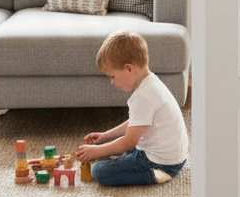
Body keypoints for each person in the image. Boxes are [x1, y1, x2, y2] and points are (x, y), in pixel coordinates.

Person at [76, 30, 188, 186]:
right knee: (116, 150)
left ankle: (154, 175)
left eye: (113, 76)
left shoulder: (143, 96)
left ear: (129, 69)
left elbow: (129, 141)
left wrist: (97, 151)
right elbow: (138, 122)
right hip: (174, 157)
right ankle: (125, 160)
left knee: (98, 171)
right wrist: (106, 136)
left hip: (162, 164)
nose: (112, 82)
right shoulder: (151, 83)